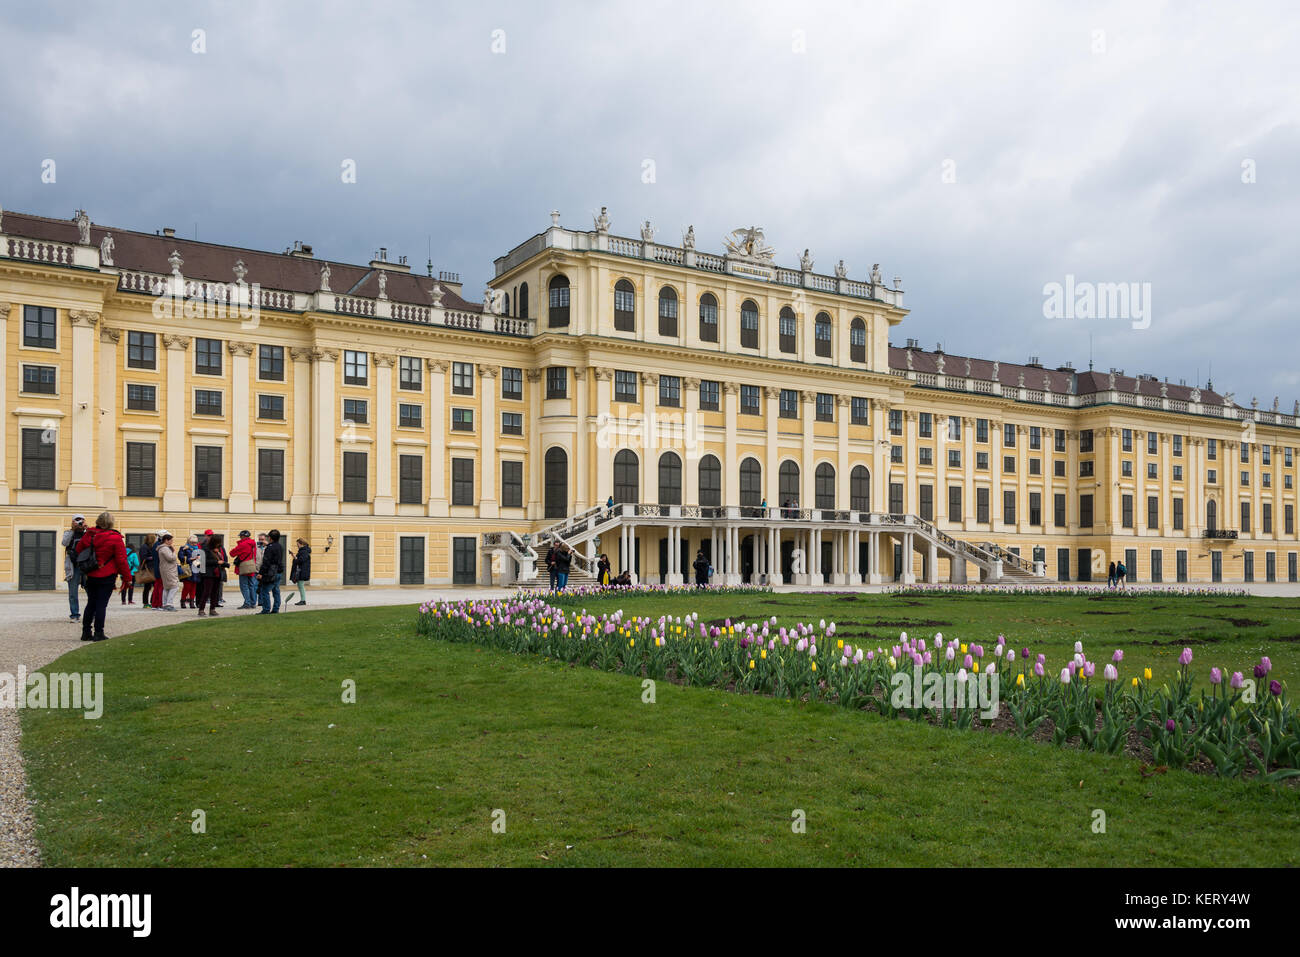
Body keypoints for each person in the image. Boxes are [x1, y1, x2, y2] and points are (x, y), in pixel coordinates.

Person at [73, 511, 132, 642]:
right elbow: (122, 560)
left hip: (91, 573)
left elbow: (78, 550)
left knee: (91, 603)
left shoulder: (90, 534)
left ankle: (86, 632)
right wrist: (127, 577)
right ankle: (99, 632)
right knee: (101, 605)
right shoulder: (115, 538)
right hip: (107, 573)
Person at [61, 513, 87, 621]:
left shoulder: (88, 533)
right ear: (72, 522)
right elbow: (64, 543)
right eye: (77, 520)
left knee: (91, 591)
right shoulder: (69, 533)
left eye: (81, 520)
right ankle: (75, 614)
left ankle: (92, 612)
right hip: (73, 566)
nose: (79, 522)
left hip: (86, 565)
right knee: (73, 592)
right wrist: (73, 530)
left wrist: (86, 529)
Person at [197, 533, 229, 617]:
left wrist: (225, 564)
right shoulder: (205, 549)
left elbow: (221, 560)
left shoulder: (218, 550)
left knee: (215, 592)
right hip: (208, 573)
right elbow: (204, 562)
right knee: (206, 592)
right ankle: (201, 609)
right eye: (218, 542)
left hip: (217, 573)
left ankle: (212, 609)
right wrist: (216, 562)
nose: (220, 544)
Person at [258, 529, 285, 614]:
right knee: (276, 590)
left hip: (270, 572)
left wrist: (261, 573)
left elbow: (266, 562)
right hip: (278, 570)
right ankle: (275, 608)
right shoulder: (280, 546)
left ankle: (266, 609)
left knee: (264, 591)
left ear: (270, 538)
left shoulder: (269, 548)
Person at [231, 530, 258, 609]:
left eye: (240, 536)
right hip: (252, 565)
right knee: (251, 585)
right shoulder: (253, 544)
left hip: (244, 567)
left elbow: (232, 553)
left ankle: (247, 603)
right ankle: (253, 603)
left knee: (244, 586)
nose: (240, 537)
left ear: (243, 536)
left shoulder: (243, 544)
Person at [157, 532, 180, 611]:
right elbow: (170, 558)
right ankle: (169, 604)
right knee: (174, 586)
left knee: (167, 587)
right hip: (168, 570)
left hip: (167, 569)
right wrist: (174, 552)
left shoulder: (163, 548)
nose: (172, 542)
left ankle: (165, 604)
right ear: (166, 540)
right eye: (171, 540)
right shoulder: (165, 548)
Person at [137, 533, 158, 609]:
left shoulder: (153, 546)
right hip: (147, 569)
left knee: (156, 586)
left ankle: (153, 601)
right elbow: (144, 557)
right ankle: (145, 603)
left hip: (153, 569)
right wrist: (153, 557)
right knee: (147, 587)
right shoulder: (144, 547)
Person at [179, 535, 200, 608]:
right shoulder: (183, 548)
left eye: (195, 543)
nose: (194, 544)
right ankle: (183, 601)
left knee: (194, 586)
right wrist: (191, 559)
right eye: (192, 543)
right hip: (186, 568)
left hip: (195, 568)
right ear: (189, 542)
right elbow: (181, 558)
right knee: (187, 586)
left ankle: (192, 602)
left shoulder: (197, 549)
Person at [289, 538, 311, 606]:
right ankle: (302, 600)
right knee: (300, 585)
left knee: (301, 586)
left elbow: (300, 561)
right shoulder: (304, 551)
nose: (297, 545)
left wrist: (294, 557)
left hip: (302, 571)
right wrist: (293, 556)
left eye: (298, 544)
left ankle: (303, 600)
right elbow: (299, 560)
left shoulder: (304, 551)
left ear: (301, 544)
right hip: (301, 571)